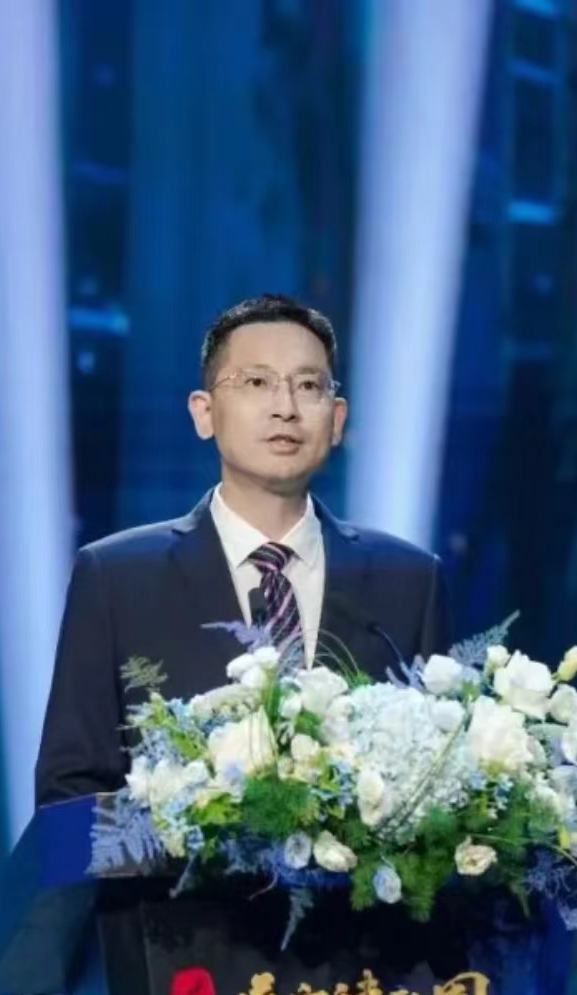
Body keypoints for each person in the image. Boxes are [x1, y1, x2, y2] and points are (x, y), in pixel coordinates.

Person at [34, 293, 450, 804]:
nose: (285, 408)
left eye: (308, 386)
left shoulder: (410, 580)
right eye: (256, 383)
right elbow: (68, 795)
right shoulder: (116, 579)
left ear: (337, 419)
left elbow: (442, 780)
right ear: (204, 412)